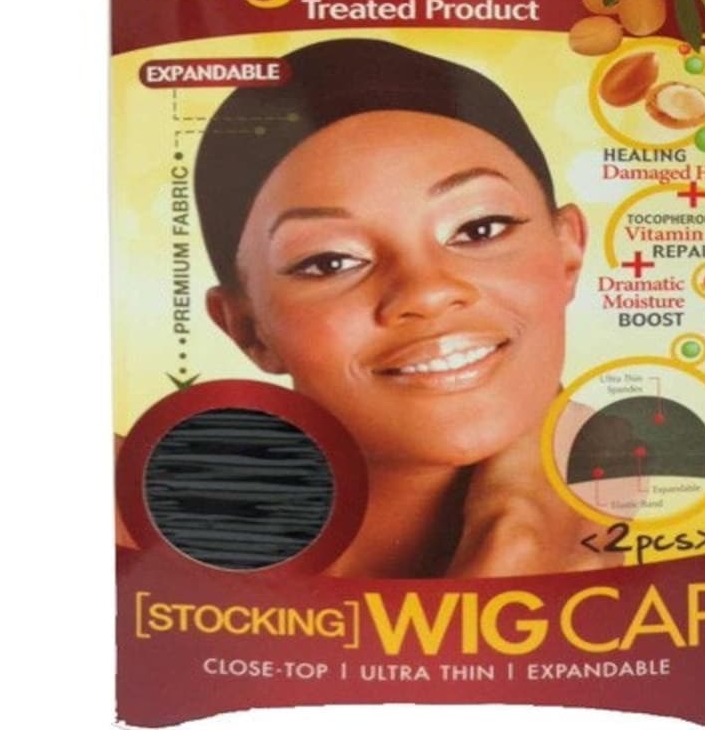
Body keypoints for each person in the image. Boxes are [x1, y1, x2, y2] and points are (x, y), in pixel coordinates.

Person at [195, 38, 618, 578]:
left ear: (568, 253)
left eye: (479, 228)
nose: (426, 291)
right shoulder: (131, 519)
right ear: (247, 329)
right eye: (330, 261)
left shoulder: (697, 520)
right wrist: (515, 544)